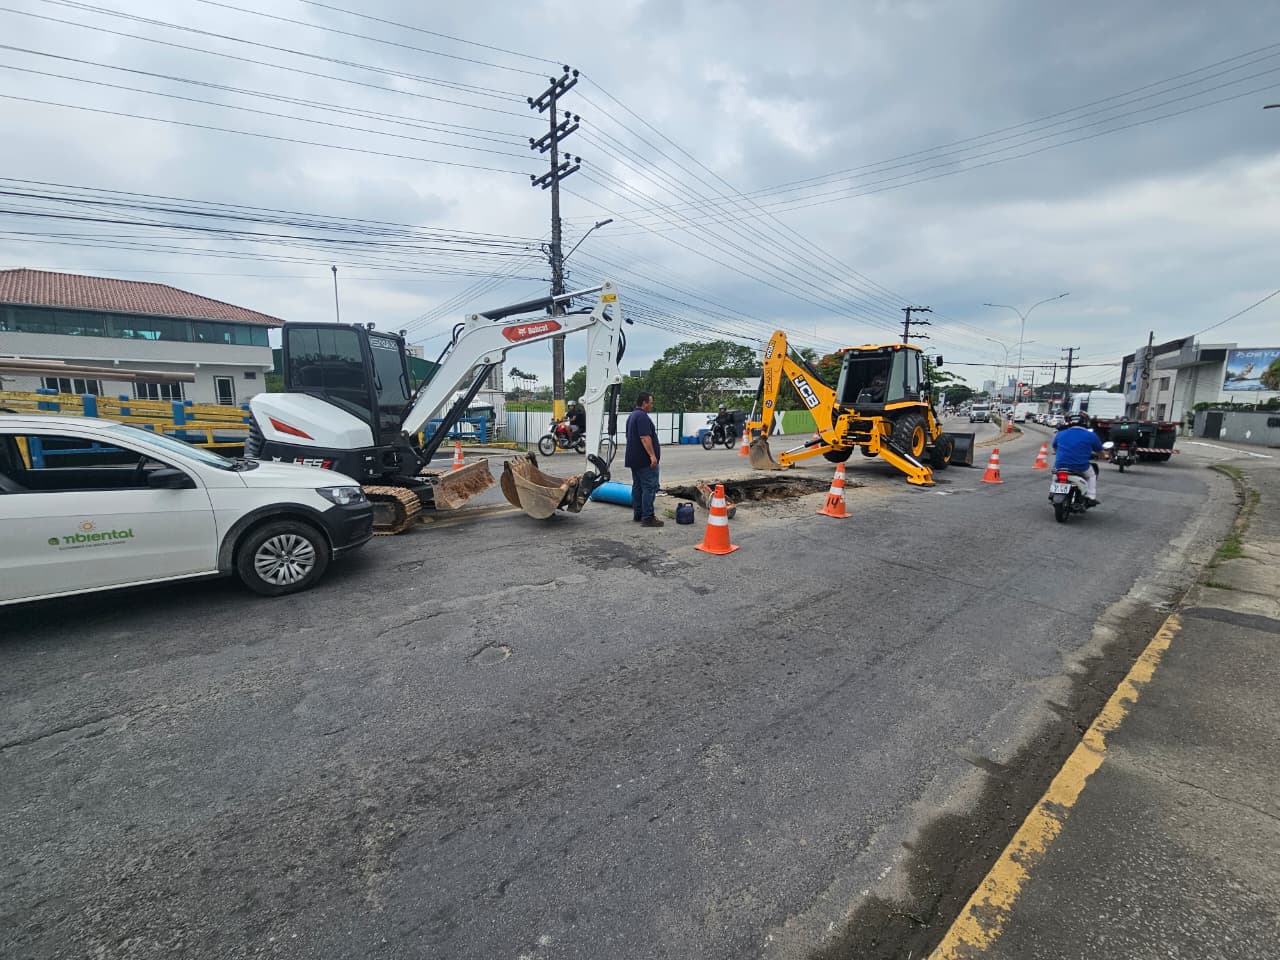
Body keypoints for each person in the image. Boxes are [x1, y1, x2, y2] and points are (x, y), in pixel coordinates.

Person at [625, 392, 662, 527]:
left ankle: (638, 514)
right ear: (644, 403)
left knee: (638, 486)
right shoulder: (642, 417)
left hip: (634, 459)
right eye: (651, 403)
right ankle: (648, 517)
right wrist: (652, 456)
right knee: (649, 487)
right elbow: (645, 438)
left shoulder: (632, 416)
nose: (652, 405)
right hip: (644, 460)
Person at [1052, 414, 1103, 506]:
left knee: (1055, 474)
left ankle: (1052, 492)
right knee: (1091, 476)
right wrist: (1105, 457)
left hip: (1060, 465)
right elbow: (1099, 451)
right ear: (1085, 422)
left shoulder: (1061, 433)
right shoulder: (1091, 435)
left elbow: (1055, 448)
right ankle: (1091, 497)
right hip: (1080, 466)